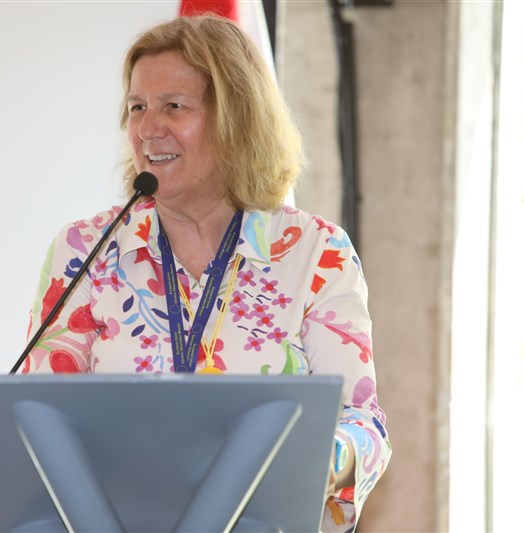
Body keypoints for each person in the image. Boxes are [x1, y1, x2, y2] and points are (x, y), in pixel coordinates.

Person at [20, 14, 390, 532]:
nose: (149, 128)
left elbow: (363, 424)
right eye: (137, 107)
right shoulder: (84, 252)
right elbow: (35, 420)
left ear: (235, 119)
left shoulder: (316, 254)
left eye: (174, 106)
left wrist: (315, 458)